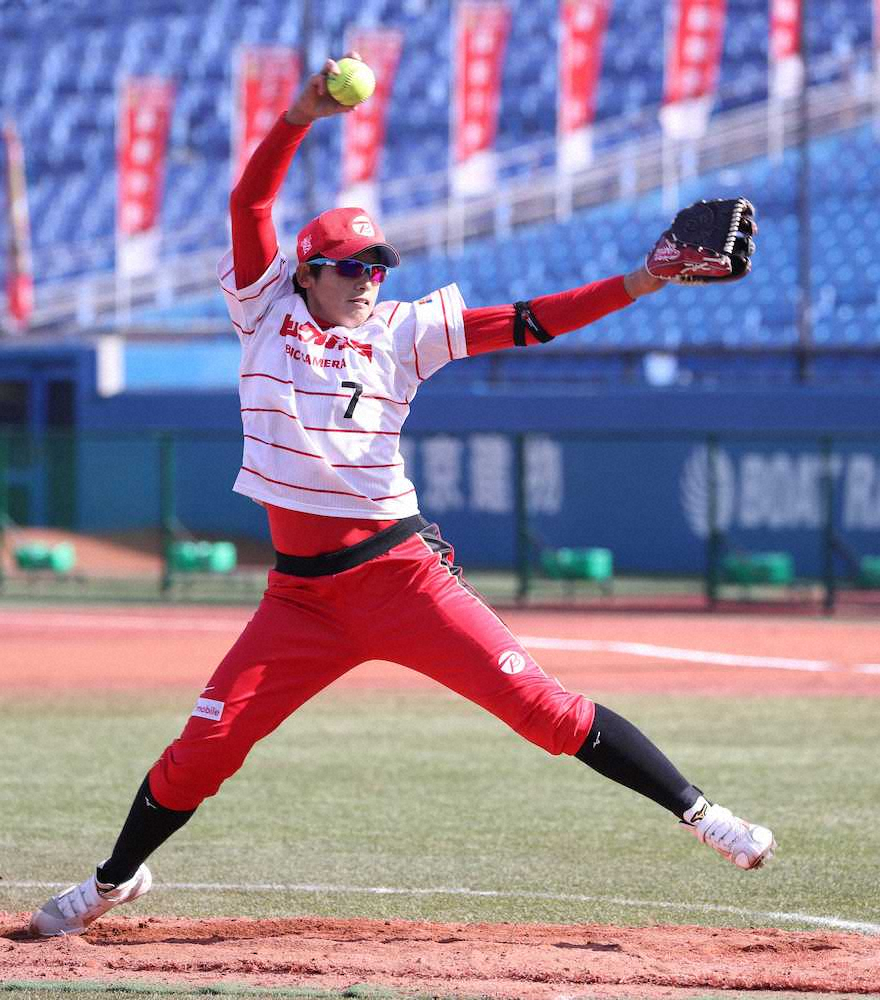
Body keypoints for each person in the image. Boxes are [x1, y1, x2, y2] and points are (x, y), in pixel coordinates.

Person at [30, 56, 774, 938]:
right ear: (306, 273)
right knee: (205, 749)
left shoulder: (402, 331)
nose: (367, 277)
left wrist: (640, 280)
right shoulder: (265, 310)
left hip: (400, 577)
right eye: (348, 266)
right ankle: (114, 881)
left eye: (376, 263)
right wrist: (299, 116)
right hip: (299, 601)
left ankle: (704, 816)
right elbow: (247, 208)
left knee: (544, 710)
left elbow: (529, 321)